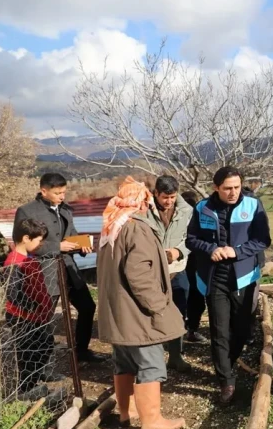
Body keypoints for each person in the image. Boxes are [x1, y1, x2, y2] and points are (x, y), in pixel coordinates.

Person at [96, 176, 186, 429]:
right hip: (138, 315)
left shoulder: (110, 229)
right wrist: (160, 306)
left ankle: (127, 414)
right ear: (142, 204)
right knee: (151, 365)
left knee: (124, 362)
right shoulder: (137, 229)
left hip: (118, 313)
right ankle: (153, 421)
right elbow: (139, 275)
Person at [186, 166, 271, 405]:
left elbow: (263, 240)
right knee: (219, 331)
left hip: (243, 276)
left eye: (236, 187)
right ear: (216, 188)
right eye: (227, 189)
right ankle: (226, 379)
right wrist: (210, 249)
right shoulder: (203, 208)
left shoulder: (253, 206)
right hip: (214, 278)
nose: (233, 192)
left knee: (242, 330)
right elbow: (192, 239)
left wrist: (238, 251)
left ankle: (228, 362)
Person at [13, 173, 106, 363]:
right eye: (57, 193)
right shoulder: (26, 211)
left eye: (64, 192)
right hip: (44, 272)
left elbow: (71, 234)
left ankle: (81, 350)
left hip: (69, 269)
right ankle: (42, 364)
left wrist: (81, 245)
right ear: (43, 190)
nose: (62, 196)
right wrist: (57, 247)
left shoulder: (66, 210)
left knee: (88, 307)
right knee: (44, 318)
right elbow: (20, 242)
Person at [144, 176, 194, 372]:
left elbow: (192, 238)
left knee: (179, 315)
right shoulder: (143, 211)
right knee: (152, 314)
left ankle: (175, 355)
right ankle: (152, 359)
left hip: (177, 270)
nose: (169, 201)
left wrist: (178, 252)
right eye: (165, 197)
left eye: (172, 197)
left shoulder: (187, 211)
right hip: (151, 272)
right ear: (156, 193)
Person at [4, 218, 55, 399]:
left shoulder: (28, 258)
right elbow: (13, 294)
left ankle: (36, 376)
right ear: (26, 238)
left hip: (37, 315)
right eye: (38, 240)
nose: (40, 244)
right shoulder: (14, 263)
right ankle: (26, 389)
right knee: (28, 353)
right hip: (23, 317)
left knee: (45, 345)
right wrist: (35, 308)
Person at [180, 190, 208, 344]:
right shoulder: (199, 216)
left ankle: (184, 330)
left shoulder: (176, 216)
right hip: (193, 263)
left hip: (185, 262)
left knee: (184, 297)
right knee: (195, 298)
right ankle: (192, 330)